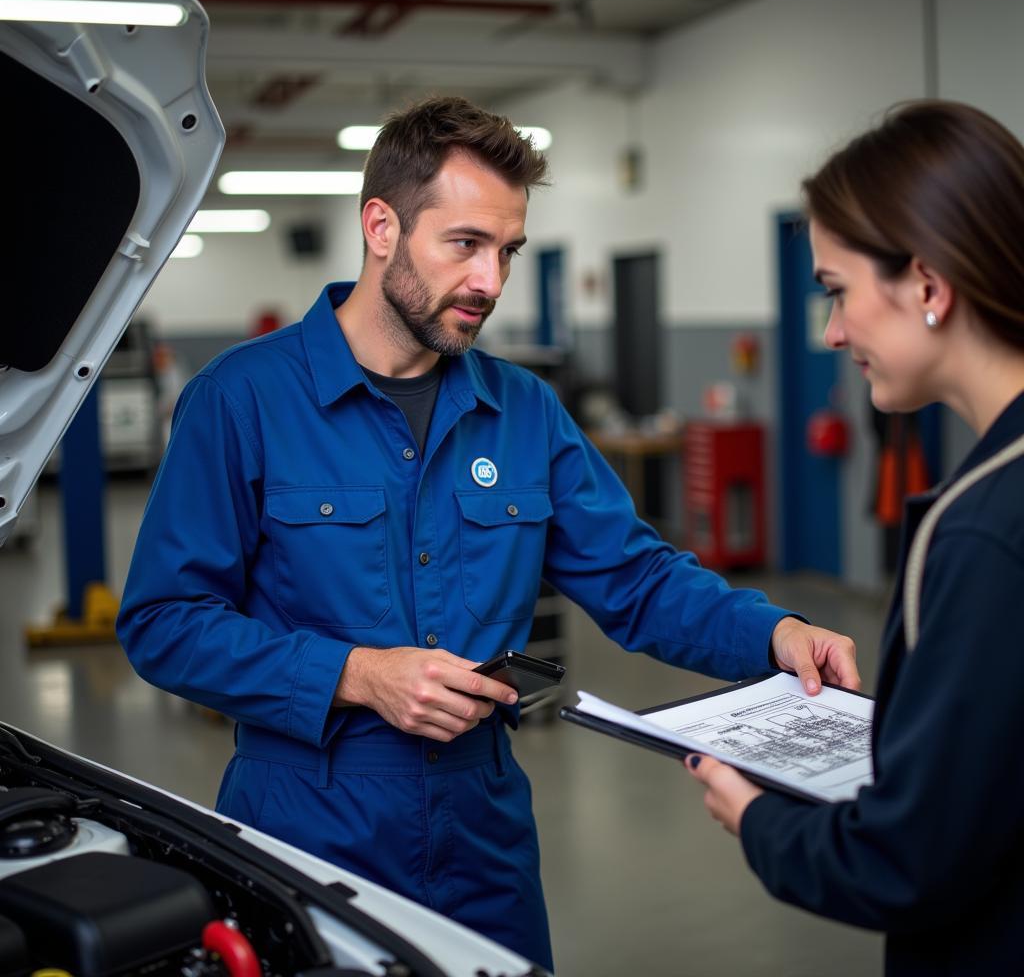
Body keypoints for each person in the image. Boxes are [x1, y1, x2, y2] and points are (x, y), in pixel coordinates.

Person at [117, 95, 858, 971]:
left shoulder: (524, 412)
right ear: (381, 226)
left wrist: (777, 632)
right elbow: (164, 622)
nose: (491, 282)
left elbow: (638, 579)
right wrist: (355, 675)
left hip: (485, 838)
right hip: (305, 835)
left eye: (507, 251)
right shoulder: (241, 400)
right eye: (464, 244)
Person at [687, 99, 1024, 975]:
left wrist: (757, 818)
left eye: (837, 291)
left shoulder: (989, 530)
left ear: (927, 284)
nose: (832, 332)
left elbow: (908, 861)